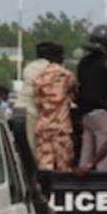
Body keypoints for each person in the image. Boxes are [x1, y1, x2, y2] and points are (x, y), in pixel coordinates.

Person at [77, 24, 107, 172]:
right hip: (104, 114)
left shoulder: (83, 63)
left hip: (86, 115)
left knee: (86, 153)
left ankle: (80, 181)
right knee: (104, 156)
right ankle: (103, 185)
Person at [33, 41, 77, 171]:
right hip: (61, 125)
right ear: (58, 56)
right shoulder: (66, 75)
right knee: (63, 167)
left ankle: (46, 191)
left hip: (43, 125)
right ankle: (60, 192)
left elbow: (37, 101)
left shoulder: (39, 77)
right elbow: (74, 93)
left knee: (45, 166)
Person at [16, 41, 55, 151]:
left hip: (20, 108)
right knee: (31, 146)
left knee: (24, 144)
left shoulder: (29, 67)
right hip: (32, 111)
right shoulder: (49, 68)